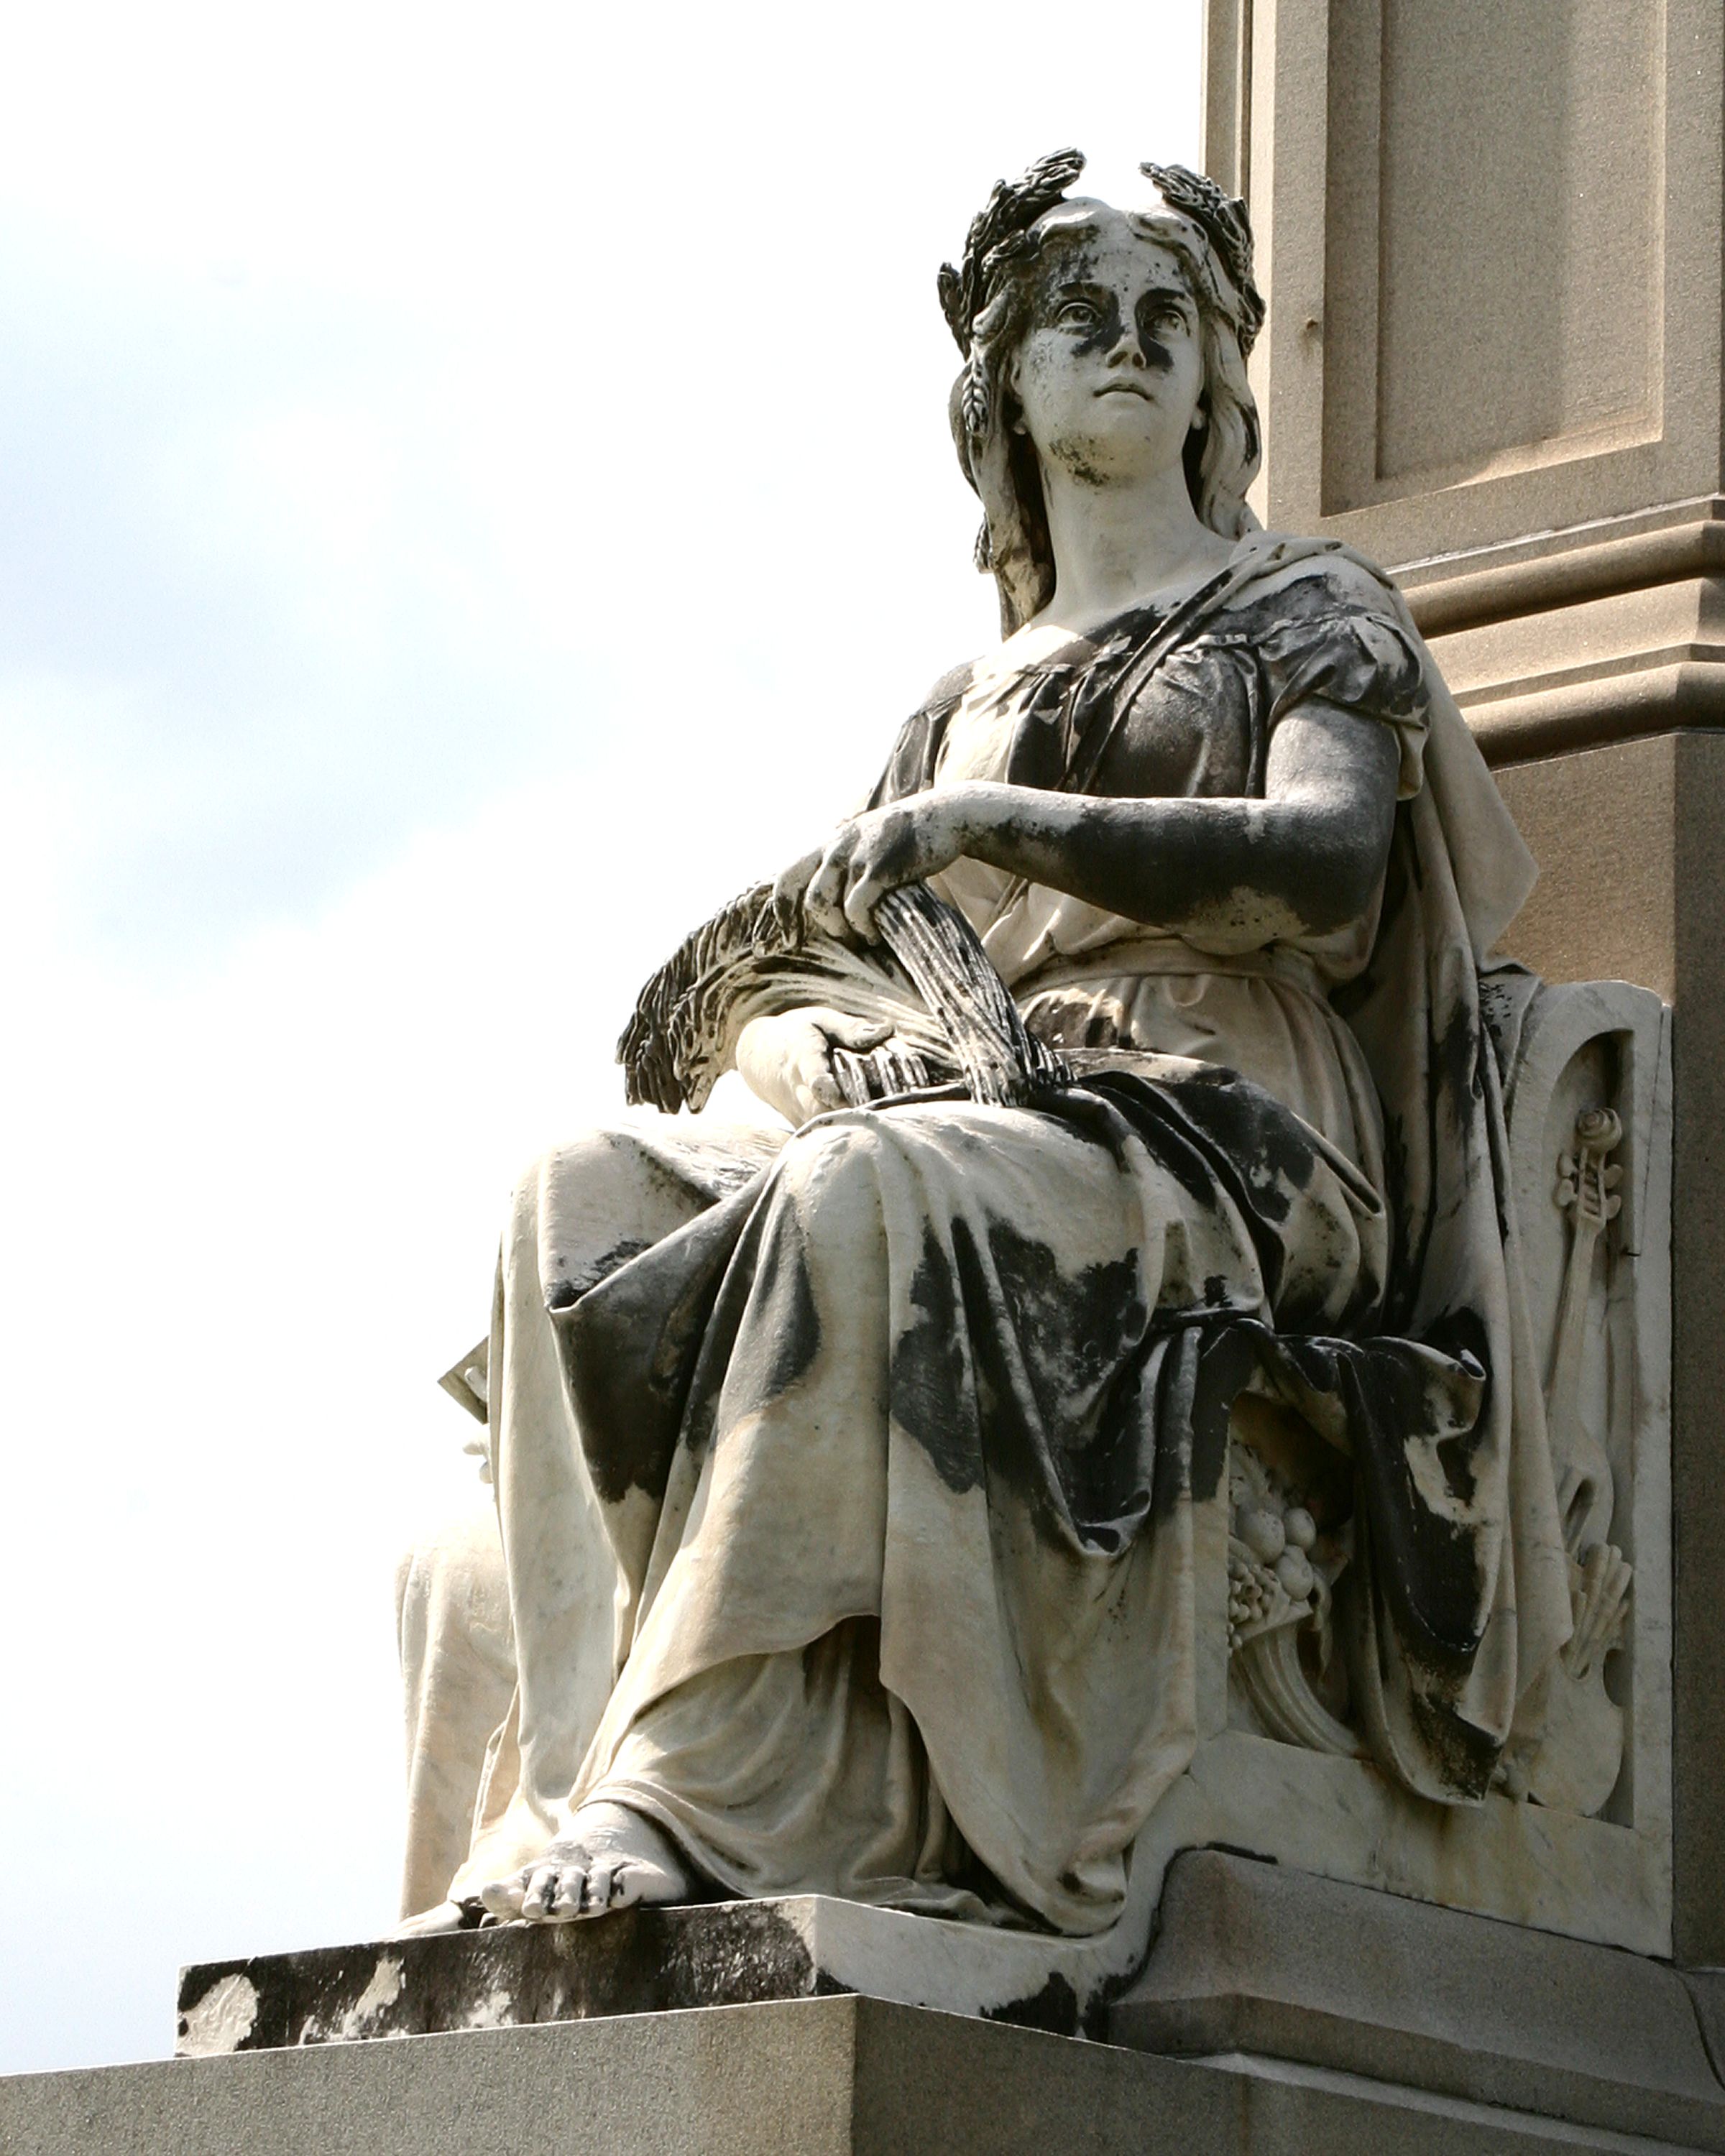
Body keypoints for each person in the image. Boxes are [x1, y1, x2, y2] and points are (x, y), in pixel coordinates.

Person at [420, 155, 1572, 1939]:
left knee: (867, 1195)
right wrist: (818, 1051)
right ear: (1003, 388)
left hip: (1223, 1119)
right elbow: (837, 960)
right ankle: (578, 1780)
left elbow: (1330, 858)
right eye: (1079, 316)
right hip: (977, 1107)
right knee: (573, 1190)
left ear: (1220, 374)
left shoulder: (1304, 610)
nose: (1131, 343)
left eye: (1170, 316)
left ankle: (696, 1789)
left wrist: (1000, 824)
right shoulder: (957, 702)